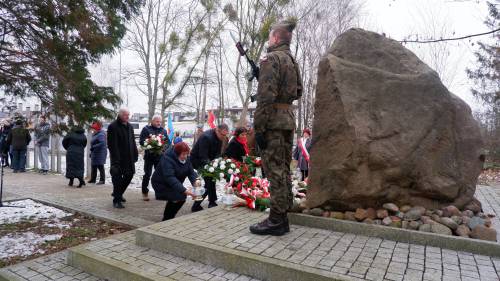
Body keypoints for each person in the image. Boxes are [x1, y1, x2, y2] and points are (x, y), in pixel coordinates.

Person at [250, 20, 302, 236]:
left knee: (274, 169)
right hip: (287, 120)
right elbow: (298, 91)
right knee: (283, 168)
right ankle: (282, 213)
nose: (269, 40)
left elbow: (265, 98)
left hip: (272, 122)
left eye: (270, 36)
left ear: (276, 38)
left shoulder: (271, 58)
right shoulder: (291, 59)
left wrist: (259, 128)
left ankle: (277, 220)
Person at [151, 142, 199, 221]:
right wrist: (184, 190)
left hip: (174, 183)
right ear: (177, 153)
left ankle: (169, 217)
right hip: (161, 183)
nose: (185, 156)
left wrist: (196, 183)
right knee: (177, 197)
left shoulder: (187, 159)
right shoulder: (167, 159)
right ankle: (167, 218)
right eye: (183, 154)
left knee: (180, 197)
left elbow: (191, 172)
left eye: (187, 154)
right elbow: (170, 177)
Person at [190, 123, 229, 211]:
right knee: (209, 181)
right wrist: (212, 167)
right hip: (198, 160)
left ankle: (211, 202)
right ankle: (197, 205)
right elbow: (202, 155)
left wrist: (218, 163)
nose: (224, 137)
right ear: (217, 130)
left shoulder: (220, 137)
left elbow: (217, 152)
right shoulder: (206, 137)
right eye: (222, 135)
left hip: (209, 161)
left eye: (226, 135)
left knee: (211, 181)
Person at [107, 108, 138, 208]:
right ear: (120, 115)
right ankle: (117, 200)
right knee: (117, 179)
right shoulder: (113, 126)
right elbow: (112, 144)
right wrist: (116, 159)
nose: (127, 117)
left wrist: (135, 154)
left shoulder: (129, 126)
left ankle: (118, 193)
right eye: (125, 115)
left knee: (129, 175)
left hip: (129, 157)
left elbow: (132, 142)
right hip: (118, 158)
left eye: (128, 115)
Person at [138, 115, 169, 201]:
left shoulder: (163, 130)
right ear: (152, 121)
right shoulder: (146, 129)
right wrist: (150, 144)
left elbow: (167, 143)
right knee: (147, 174)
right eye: (157, 121)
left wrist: (162, 148)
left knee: (159, 176)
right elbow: (141, 141)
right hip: (149, 156)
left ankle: (159, 193)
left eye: (160, 121)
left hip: (159, 157)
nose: (159, 123)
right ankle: (145, 192)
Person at [89, 120, 107, 185]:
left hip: (100, 152)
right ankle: (93, 179)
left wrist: (94, 146)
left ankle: (102, 180)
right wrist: (92, 151)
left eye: (94, 129)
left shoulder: (101, 134)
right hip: (95, 152)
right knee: (93, 166)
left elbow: (102, 143)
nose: (93, 130)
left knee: (100, 166)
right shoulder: (96, 134)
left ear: (97, 129)